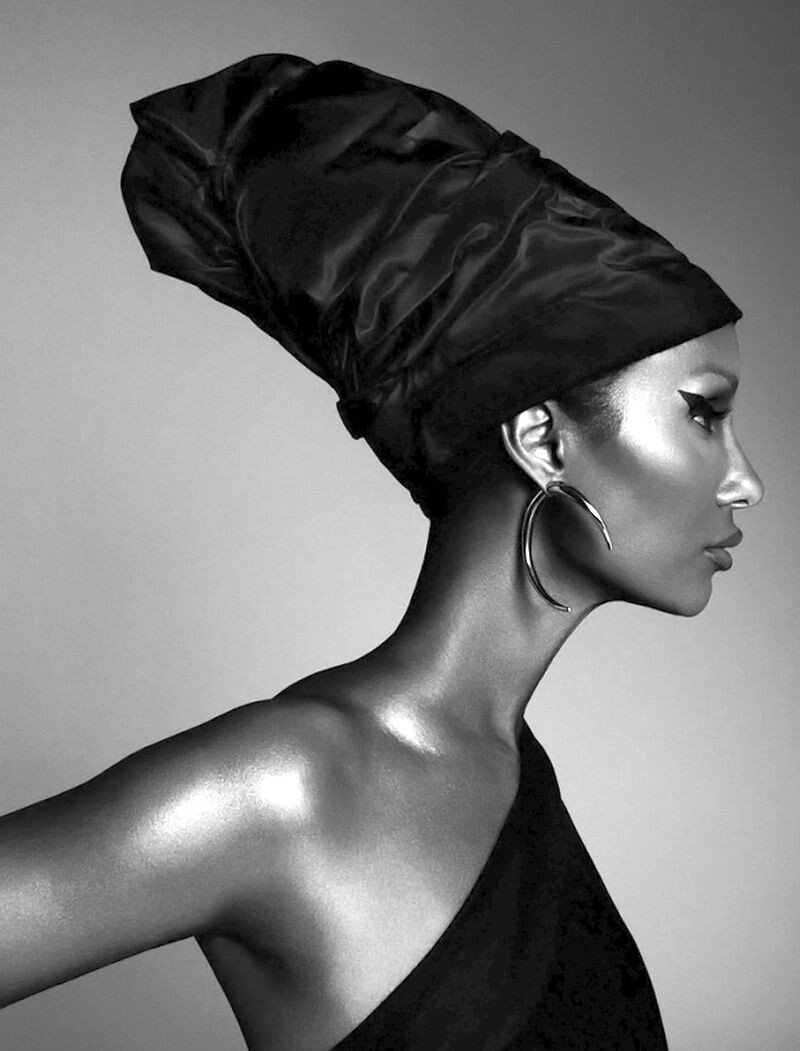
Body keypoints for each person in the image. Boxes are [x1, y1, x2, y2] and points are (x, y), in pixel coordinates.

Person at [1, 54, 763, 1050]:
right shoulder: (289, 787)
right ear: (542, 440)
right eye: (703, 413)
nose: (744, 479)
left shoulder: (504, 770)